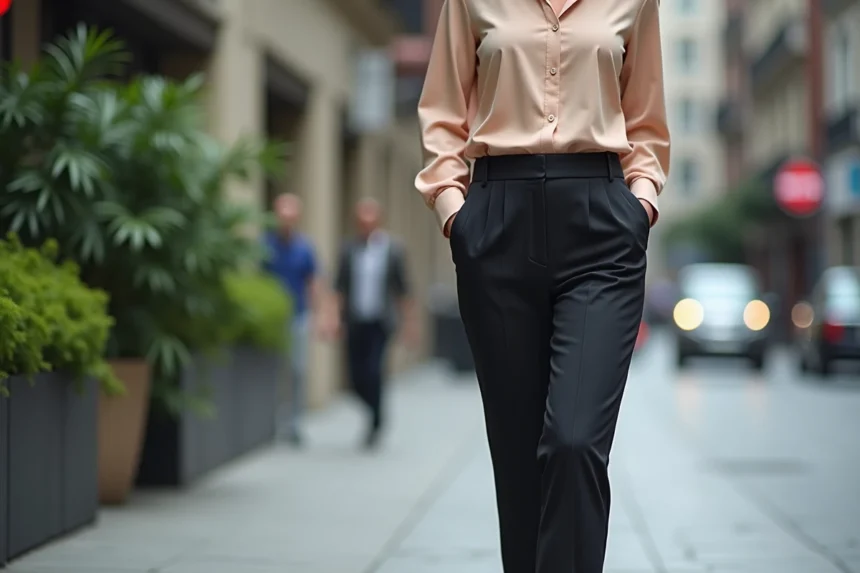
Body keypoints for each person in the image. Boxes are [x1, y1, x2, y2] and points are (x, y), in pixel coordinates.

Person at [415, 1, 670, 572]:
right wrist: (456, 213)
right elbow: (442, 111)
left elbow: (647, 119)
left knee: (574, 442)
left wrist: (642, 203)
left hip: (601, 225)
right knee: (517, 457)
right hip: (497, 219)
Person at [334, 198, 418, 449]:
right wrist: (335, 319)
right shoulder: (348, 250)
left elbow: (403, 289)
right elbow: (339, 288)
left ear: (378, 222)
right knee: (355, 377)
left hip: (380, 323)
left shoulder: (393, 250)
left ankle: (376, 420)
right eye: (361, 222)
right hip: (355, 320)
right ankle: (374, 410)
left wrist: (410, 325)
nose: (366, 226)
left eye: (370, 221)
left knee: (373, 371)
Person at [263, 193, 330, 447]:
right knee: (273, 371)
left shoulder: (304, 248)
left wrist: (319, 316)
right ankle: (271, 423)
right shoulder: (265, 245)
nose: (286, 221)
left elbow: (314, 283)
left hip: (298, 318)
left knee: (297, 371)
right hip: (272, 322)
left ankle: (294, 424)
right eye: (282, 217)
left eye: (290, 217)